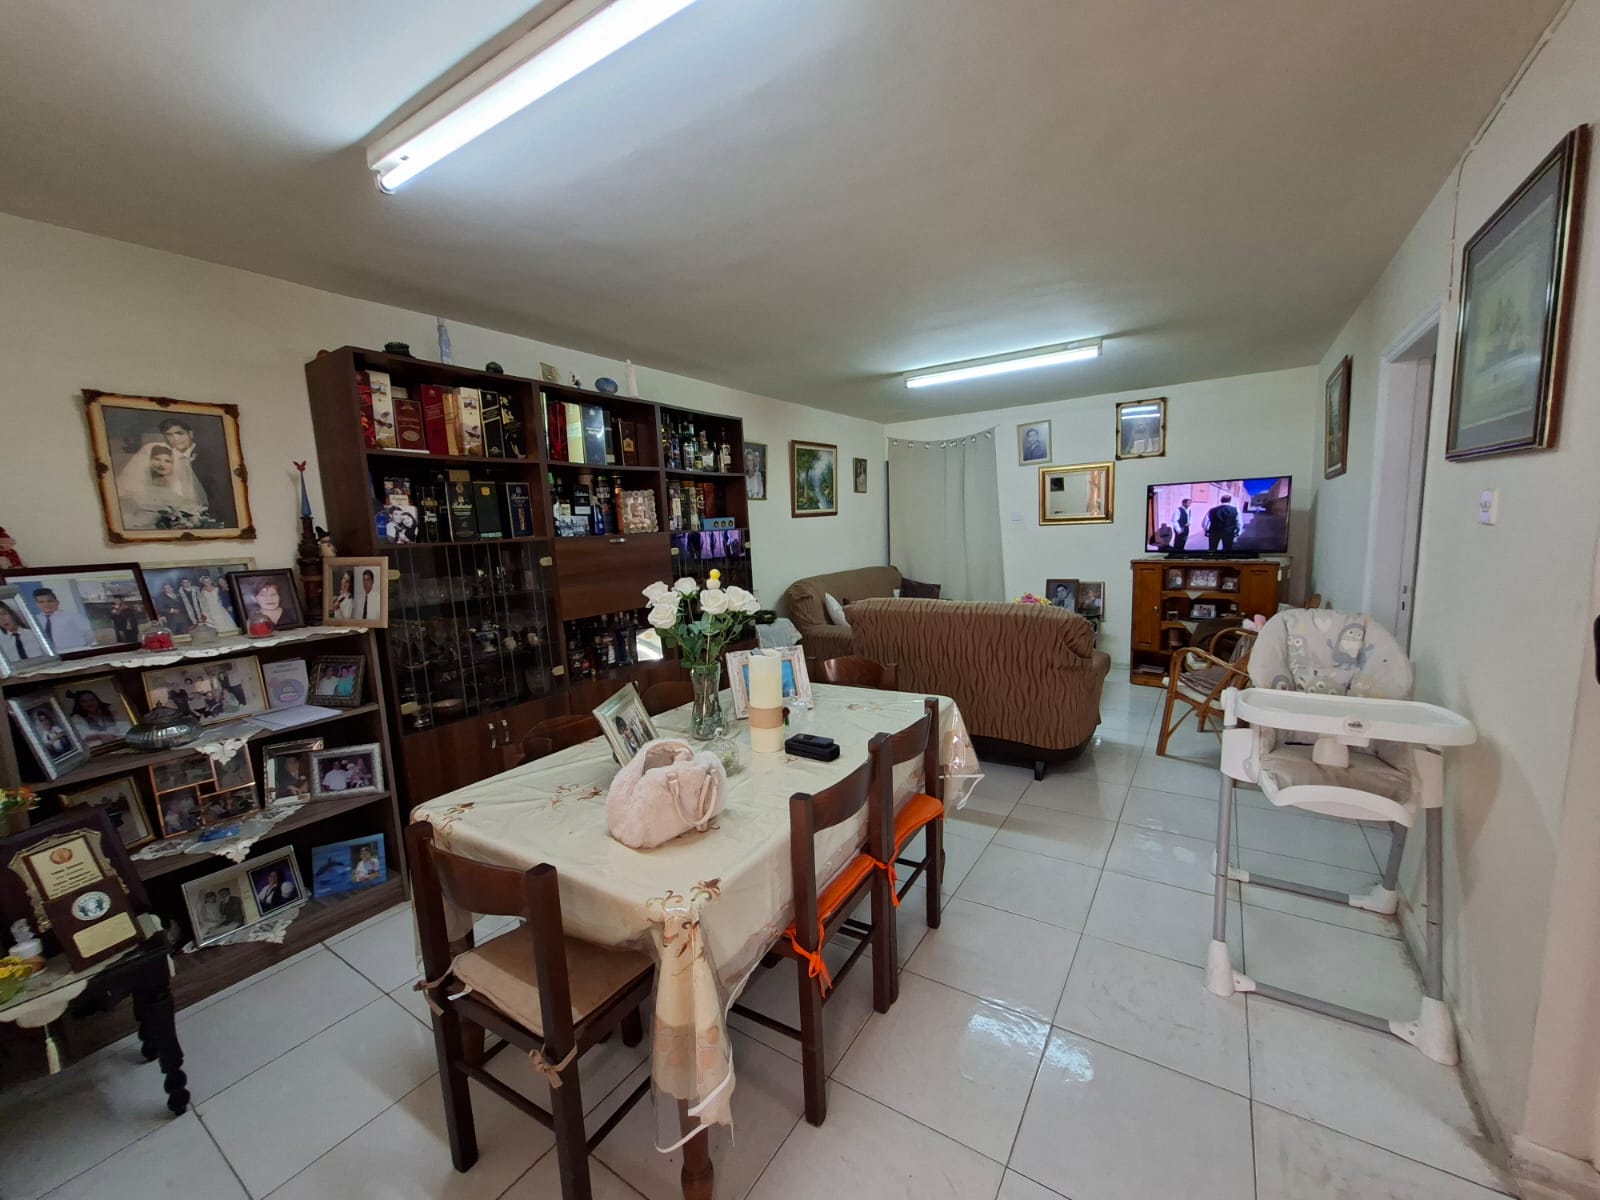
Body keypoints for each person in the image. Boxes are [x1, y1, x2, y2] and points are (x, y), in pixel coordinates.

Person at [159, 416, 236, 527]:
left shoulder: (211, 456)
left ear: (190, 434)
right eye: (169, 435)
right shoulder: (166, 458)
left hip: (210, 517)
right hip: (178, 517)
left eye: (179, 433)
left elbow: (221, 490)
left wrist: (210, 518)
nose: (175, 438)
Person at [114, 442, 205, 529]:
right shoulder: (131, 488)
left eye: (168, 461)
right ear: (148, 460)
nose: (162, 464)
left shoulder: (176, 490)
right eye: (157, 459)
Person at [30, 587, 93, 652]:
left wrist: (81, 647)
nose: (46, 604)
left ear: (57, 602)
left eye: (50, 601)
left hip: (75, 652)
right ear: (37, 605)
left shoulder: (72, 616)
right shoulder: (35, 620)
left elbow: (89, 633)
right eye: (41, 602)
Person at [66, 688, 130, 749]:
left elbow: (125, 728)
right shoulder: (76, 718)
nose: (89, 703)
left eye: (92, 700)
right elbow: (80, 736)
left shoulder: (110, 712)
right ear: (79, 704)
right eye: (84, 701)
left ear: (97, 701)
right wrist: (100, 736)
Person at [0, 600, 46, 665]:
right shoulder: (2, 645)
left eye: (3, 614)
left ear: (12, 614)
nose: (2, 619)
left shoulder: (36, 634)